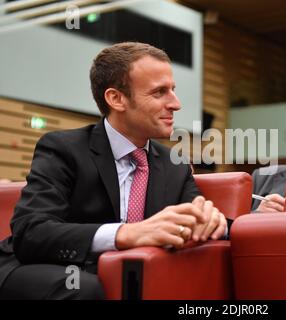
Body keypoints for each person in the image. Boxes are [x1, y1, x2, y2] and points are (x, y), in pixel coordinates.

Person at [0, 42, 227, 299]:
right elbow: (31, 232)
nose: (176, 104)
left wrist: (217, 221)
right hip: (43, 269)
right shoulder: (62, 148)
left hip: (130, 273)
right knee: (86, 289)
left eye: (173, 90)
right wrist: (125, 233)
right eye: (159, 92)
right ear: (116, 99)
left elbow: (197, 216)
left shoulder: (175, 164)